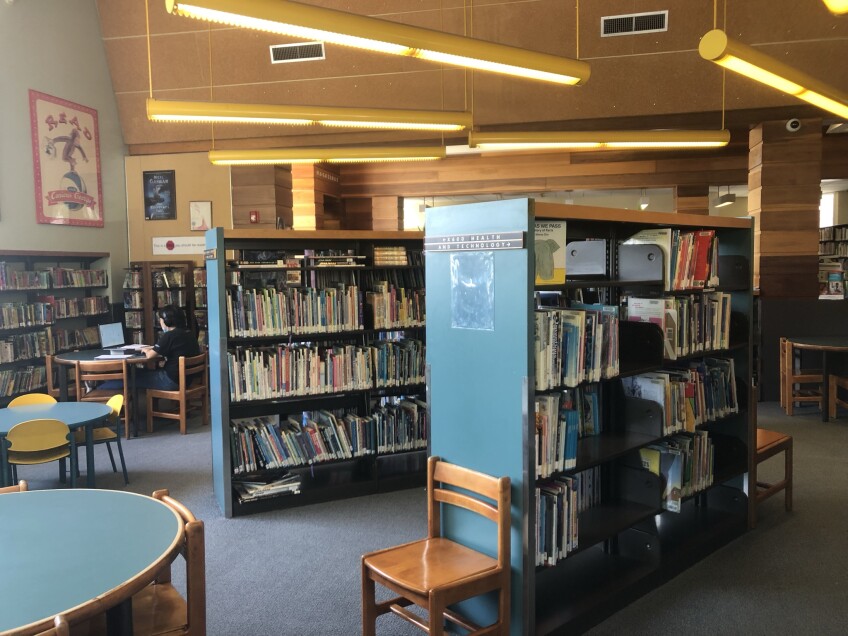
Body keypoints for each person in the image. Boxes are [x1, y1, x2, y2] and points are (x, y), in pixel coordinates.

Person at [135, 305, 201, 391]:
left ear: (166, 320)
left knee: (133, 376)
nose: (160, 321)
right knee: (141, 374)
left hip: (171, 380)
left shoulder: (169, 335)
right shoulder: (189, 333)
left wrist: (145, 349)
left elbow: (150, 355)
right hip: (187, 380)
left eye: (161, 319)